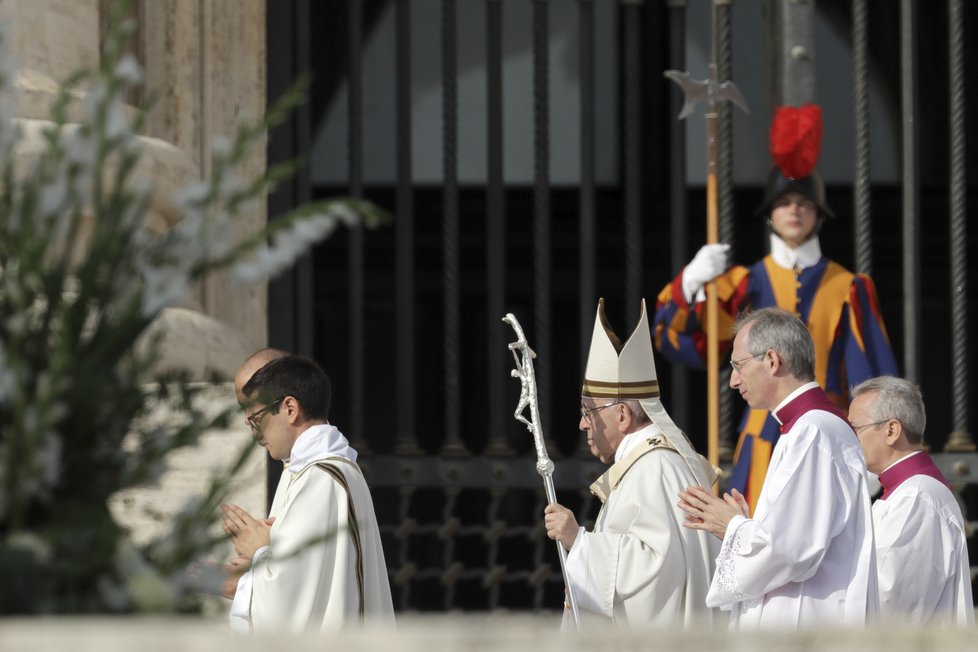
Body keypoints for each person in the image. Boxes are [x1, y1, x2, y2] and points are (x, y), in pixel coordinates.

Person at [654, 104, 898, 512]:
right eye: (783, 202)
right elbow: (680, 343)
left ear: (819, 212)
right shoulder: (743, 284)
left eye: (804, 202)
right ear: (769, 212)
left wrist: (874, 456)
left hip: (831, 438)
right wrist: (690, 283)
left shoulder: (849, 287)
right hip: (764, 441)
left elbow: (872, 378)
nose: (795, 209)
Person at [678, 307, 877, 629]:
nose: (733, 381)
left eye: (738, 365)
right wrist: (744, 525)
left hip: (807, 621)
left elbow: (789, 550)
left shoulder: (814, 431)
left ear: (772, 360)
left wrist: (734, 528)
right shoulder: (803, 428)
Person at [543, 298, 720, 629]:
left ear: (622, 415)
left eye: (588, 412)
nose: (583, 425)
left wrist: (578, 542)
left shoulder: (654, 469)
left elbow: (656, 574)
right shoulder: (655, 463)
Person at [222, 354, 395, 632]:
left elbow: (290, 604)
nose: (255, 435)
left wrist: (258, 553)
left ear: (290, 408)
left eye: (256, 419)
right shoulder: (315, 470)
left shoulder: (321, 478)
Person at [848, 376, 974, 625]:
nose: (850, 440)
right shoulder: (906, 493)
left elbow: (888, 604)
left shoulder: (917, 498)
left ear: (892, 430)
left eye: (855, 429)